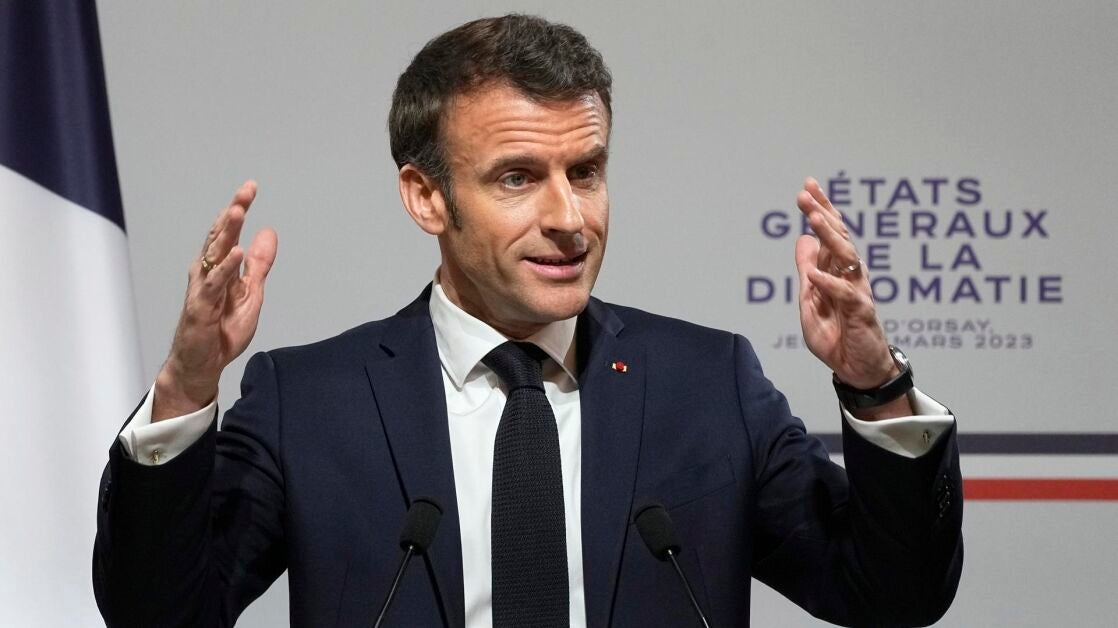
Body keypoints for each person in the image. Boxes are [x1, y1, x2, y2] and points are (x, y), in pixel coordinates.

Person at [93, 14, 962, 628]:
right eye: (517, 178)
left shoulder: (708, 385)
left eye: (586, 171)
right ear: (426, 197)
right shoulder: (310, 401)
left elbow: (892, 596)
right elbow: (160, 613)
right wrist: (186, 387)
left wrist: (874, 385)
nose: (570, 218)